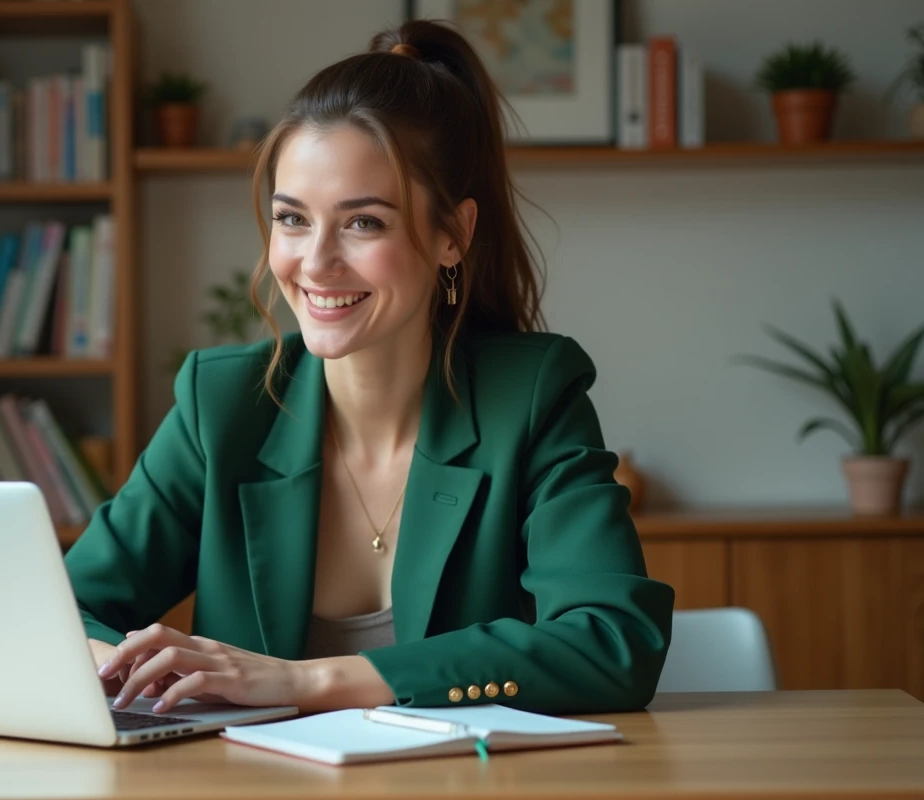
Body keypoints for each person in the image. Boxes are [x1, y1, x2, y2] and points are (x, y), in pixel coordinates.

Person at [65, 19, 674, 718]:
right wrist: (127, 664)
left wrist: (309, 681)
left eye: (364, 223)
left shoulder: (531, 397)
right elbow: (64, 611)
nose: (315, 262)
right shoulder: (222, 403)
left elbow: (613, 642)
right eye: (292, 219)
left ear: (454, 235)